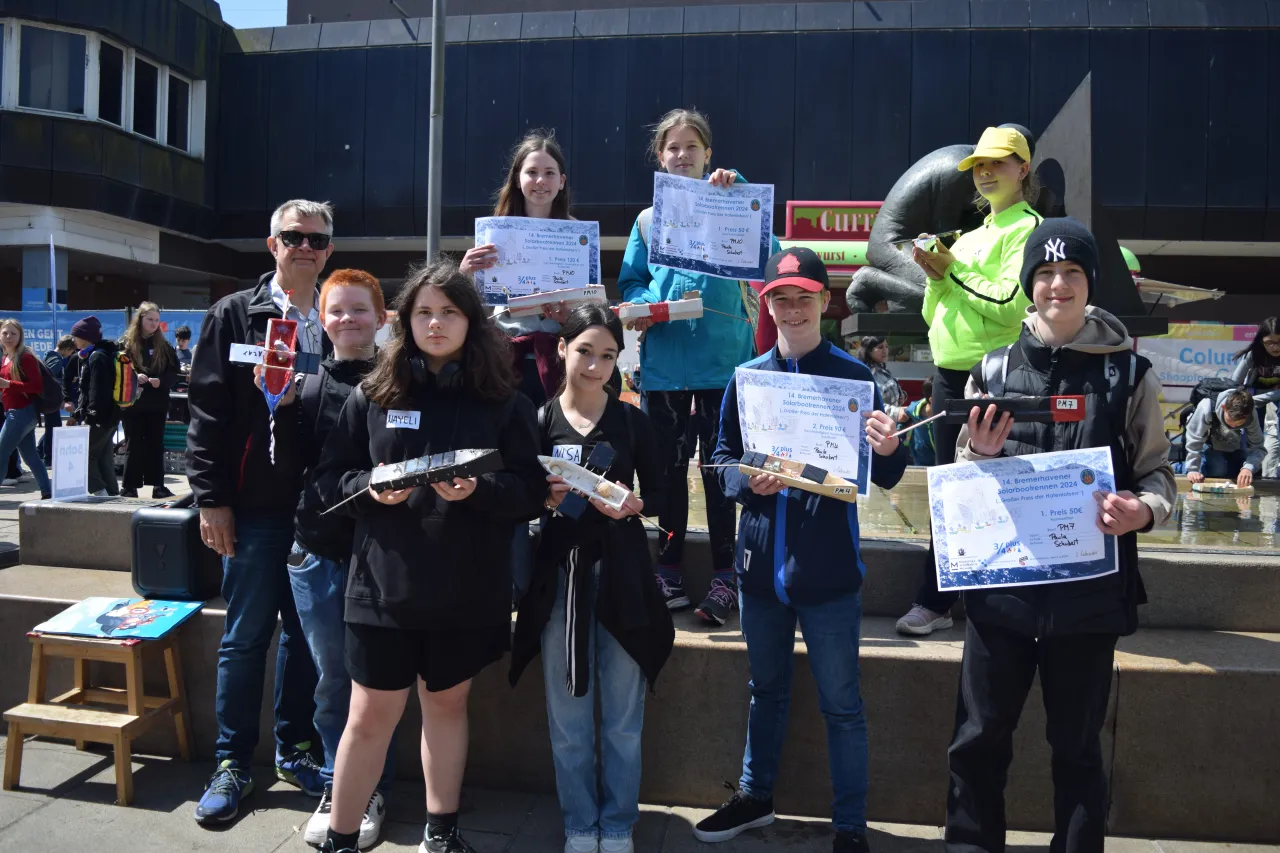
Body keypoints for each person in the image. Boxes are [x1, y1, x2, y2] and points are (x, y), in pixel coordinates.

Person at [944, 218, 1174, 853]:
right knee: (977, 741)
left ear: (1090, 281)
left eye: (1071, 271)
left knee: (1077, 749)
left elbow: (1158, 473)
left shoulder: (1130, 374)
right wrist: (978, 455)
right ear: (1029, 284)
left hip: (1088, 600)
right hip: (1002, 595)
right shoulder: (991, 369)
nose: (1057, 284)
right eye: (1044, 273)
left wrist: (1143, 510)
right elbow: (962, 478)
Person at [313, 260, 543, 853]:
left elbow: (529, 491)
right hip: (381, 586)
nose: (435, 323)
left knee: (446, 705)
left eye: (449, 312)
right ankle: (341, 838)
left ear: (471, 321)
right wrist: (369, 488)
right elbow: (330, 481)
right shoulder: (372, 395)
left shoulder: (505, 402)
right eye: (423, 313)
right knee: (369, 715)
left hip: (465, 586)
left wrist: (479, 491)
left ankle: (441, 833)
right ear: (404, 321)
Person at [697, 248, 908, 853]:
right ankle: (754, 796)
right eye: (781, 298)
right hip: (761, 568)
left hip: (828, 571)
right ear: (767, 306)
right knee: (765, 691)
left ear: (824, 302)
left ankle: (850, 827)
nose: (793, 309)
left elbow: (886, 475)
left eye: (804, 297)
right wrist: (747, 482)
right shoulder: (748, 378)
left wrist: (890, 447)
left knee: (842, 705)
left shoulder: (855, 379)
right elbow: (720, 460)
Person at [188, 199, 334, 824]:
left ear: (329, 251)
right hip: (251, 510)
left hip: (319, 511)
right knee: (246, 637)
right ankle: (232, 761)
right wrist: (212, 499)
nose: (305, 247)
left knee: (306, 639)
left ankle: (294, 750)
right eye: (293, 237)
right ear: (272, 245)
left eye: (317, 240)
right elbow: (206, 414)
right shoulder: (234, 315)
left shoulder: (337, 316)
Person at [510, 305, 674, 853]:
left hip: (623, 576)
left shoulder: (632, 422)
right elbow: (515, 497)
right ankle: (580, 821)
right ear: (561, 349)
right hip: (559, 579)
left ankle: (619, 821)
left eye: (607, 355)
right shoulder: (538, 420)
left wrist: (632, 503)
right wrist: (545, 498)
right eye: (584, 351)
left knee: (623, 717)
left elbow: (663, 497)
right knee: (568, 716)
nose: (595, 366)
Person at [617, 107, 781, 625]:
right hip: (664, 367)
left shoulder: (733, 199)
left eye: (691, 146)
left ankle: (726, 576)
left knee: (719, 475)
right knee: (665, 476)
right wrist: (644, 304)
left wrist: (741, 193)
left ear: (708, 153)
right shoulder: (646, 220)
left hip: (722, 367)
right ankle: (667, 568)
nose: (682, 154)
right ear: (660, 157)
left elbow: (772, 258)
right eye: (672, 147)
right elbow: (631, 282)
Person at [263, 269, 392, 848]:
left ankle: (371, 788)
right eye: (336, 310)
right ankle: (341, 786)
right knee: (332, 680)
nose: (348, 319)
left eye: (359, 309)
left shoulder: (400, 383)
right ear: (322, 319)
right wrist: (282, 408)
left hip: (382, 555)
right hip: (316, 552)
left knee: (377, 682)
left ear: (381, 318)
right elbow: (289, 467)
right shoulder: (306, 383)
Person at [901, 124, 1042, 637]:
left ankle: (956, 599)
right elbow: (932, 311)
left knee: (988, 487)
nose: (985, 173)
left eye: (997, 163)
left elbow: (1010, 305)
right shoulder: (971, 236)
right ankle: (942, 599)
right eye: (979, 165)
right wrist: (937, 274)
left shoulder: (1029, 230)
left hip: (995, 374)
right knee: (948, 486)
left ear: (1023, 169)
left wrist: (953, 271)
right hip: (949, 372)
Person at [462, 130, 573, 410]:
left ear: (561, 181)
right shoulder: (494, 233)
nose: (540, 181)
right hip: (505, 357)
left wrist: (570, 316)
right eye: (532, 172)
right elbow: (475, 306)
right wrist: (464, 274)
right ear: (517, 179)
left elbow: (589, 303)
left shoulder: (577, 235)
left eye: (549, 173)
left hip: (558, 356)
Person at [119, 302, 179, 499]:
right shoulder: (126, 343)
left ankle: (158, 486)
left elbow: (174, 371)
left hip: (156, 403)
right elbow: (118, 369)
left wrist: (161, 381)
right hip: (133, 404)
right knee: (133, 444)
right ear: (140, 319)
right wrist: (135, 376)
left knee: (156, 444)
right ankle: (129, 487)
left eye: (156, 320)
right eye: (150, 319)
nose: (154, 324)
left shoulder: (164, 345)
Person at [68, 316, 121, 497]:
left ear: (85, 336)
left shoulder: (97, 357)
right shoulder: (101, 354)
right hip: (110, 415)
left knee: (83, 455)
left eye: (75, 335)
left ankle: (99, 490)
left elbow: (97, 389)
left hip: (99, 416)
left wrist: (91, 414)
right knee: (103, 456)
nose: (73, 339)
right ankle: (112, 494)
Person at [0, 320, 52, 499]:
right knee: (30, 457)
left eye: (13, 334)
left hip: (21, 412)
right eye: (5, 333)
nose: (8, 337)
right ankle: (48, 492)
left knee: (1, 452)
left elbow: (36, 387)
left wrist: (8, 384)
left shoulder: (25, 357)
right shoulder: (6, 357)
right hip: (15, 412)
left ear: (20, 336)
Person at [1183, 388, 1263, 489]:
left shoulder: (1250, 413)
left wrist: (1248, 468)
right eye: (1230, 420)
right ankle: (1178, 466)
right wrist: (1193, 469)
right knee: (1218, 470)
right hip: (1207, 443)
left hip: (1234, 444)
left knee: (1246, 472)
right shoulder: (1206, 407)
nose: (1233, 426)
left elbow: (1258, 447)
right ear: (1223, 407)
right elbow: (1194, 440)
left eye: (1239, 424)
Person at [39, 336, 75, 465]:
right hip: (51, 400)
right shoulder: (57, 360)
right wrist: (59, 397)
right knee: (54, 428)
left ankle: (41, 452)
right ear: (67, 349)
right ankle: (48, 458)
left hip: (48, 399)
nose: (70, 354)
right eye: (71, 351)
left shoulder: (50, 356)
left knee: (52, 427)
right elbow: (50, 380)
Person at [860, 336, 908, 422]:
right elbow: (871, 405)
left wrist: (901, 395)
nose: (885, 351)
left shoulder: (882, 370)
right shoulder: (866, 374)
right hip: (877, 425)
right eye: (880, 347)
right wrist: (896, 413)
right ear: (869, 351)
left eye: (886, 346)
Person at [902, 376, 937, 467]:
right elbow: (899, 431)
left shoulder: (947, 414)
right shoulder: (912, 412)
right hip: (920, 463)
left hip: (943, 463)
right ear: (932, 400)